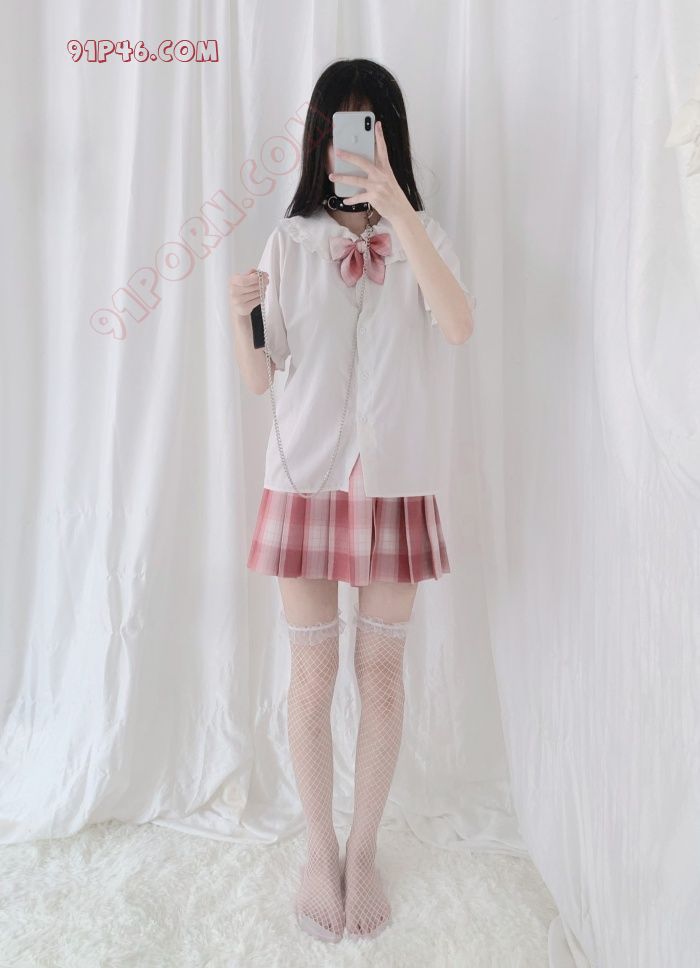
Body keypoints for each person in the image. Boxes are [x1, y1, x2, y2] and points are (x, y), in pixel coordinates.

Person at [229, 58, 475, 943]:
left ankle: (363, 850)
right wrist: (240, 315)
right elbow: (262, 378)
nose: (353, 143)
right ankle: (316, 849)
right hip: (305, 479)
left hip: (393, 482)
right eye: (341, 125)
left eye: (370, 125)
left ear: (390, 136)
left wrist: (400, 215)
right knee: (312, 675)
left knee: (381, 674)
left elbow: (457, 325)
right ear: (319, 138)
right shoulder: (289, 242)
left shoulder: (423, 236)